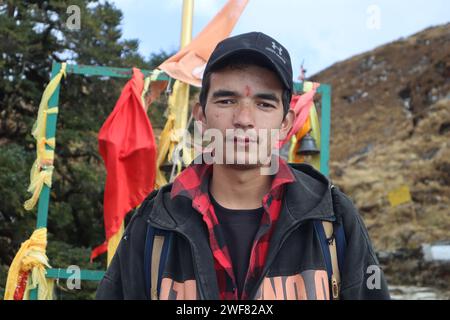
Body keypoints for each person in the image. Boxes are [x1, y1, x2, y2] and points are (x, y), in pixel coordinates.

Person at [96, 32, 390, 300]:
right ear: (201, 117)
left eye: (264, 104)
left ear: (285, 124)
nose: (244, 119)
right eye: (226, 101)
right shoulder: (155, 222)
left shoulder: (332, 217)